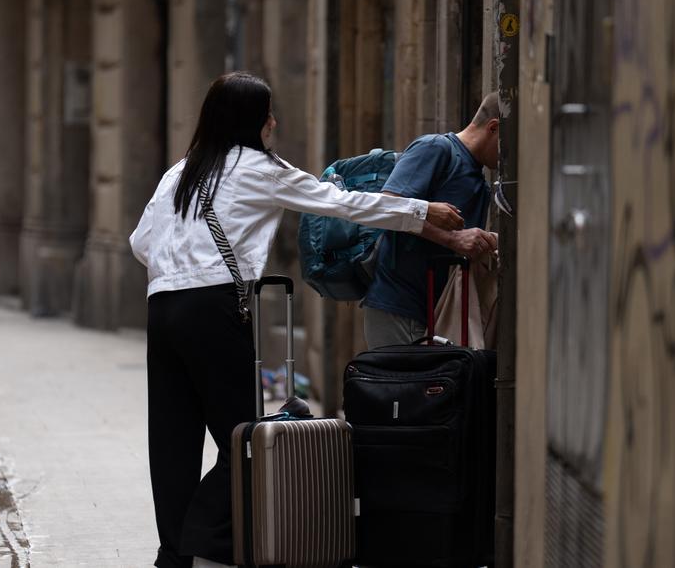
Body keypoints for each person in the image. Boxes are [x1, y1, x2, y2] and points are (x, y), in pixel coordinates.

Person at [128, 72, 464, 568]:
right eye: (267, 113)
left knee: (172, 439)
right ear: (253, 121)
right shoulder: (261, 168)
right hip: (215, 308)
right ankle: (203, 539)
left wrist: (179, 269)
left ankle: (174, 554)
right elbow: (341, 203)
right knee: (243, 436)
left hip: (162, 307)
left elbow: (139, 243)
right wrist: (422, 212)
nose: (274, 121)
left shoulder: (178, 173)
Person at [362, 92, 503, 348]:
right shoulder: (435, 148)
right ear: (493, 128)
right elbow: (387, 207)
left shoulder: (478, 177)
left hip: (439, 311)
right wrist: (453, 239)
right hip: (400, 306)